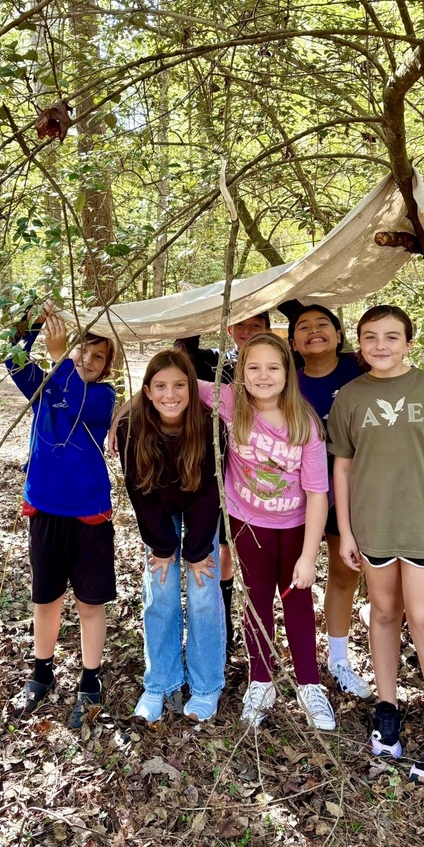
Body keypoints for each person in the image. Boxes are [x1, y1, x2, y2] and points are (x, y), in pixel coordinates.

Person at [328, 305, 424, 785]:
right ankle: (387, 709)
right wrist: (347, 531)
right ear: (359, 343)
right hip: (373, 527)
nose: (381, 345)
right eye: (370, 337)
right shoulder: (349, 396)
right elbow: (343, 469)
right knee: (385, 614)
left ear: (409, 342)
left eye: (392, 337)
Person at [196, 331, 334, 729]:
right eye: (253, 367)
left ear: (287, 373)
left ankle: (310, 684)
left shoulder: (304, 424)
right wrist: (124, 413)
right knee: (256, 602)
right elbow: (179, 384)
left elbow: (318, 495)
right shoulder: (231, 402)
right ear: (240, 372)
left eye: (272, 367)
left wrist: (309, 557)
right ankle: (261, 680)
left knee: (297, 600)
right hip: (248, 524)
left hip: (294, 527)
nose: (262, 375)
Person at [6, 301, 117, 730]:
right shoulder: (46, 387)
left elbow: (80, 404)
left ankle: (90, 680)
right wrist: (36, 319)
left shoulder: (101, 396)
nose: (87, 359)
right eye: (81, 350)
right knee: (46, 598)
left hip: (89, 516)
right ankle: (41, 672)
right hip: (44, 511)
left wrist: (59, 360)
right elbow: (14, 359)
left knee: (89, 602)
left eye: (98, 356)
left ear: (106, 368)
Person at [118, 349, 227, 723]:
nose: (170, 394)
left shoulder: (211, 425)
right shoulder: (131, 427)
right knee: (160, 589)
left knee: (203, 590)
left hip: (199, 507)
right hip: (156, 511)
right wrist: (163, 547)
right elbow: (138, 490)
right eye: (161, 386)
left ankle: (206, 685)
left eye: (179, 385)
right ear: (147, 391)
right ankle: (160, 683)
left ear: (192, 388)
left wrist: (197, 551)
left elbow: (210, 491)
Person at [280, 300, 370, 700]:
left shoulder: (362, 369)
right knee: (291, 578)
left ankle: (338, 659)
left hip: (354, 491)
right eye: (303, 326)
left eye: (323, 324)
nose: (313, 330)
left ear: (338, 334)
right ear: (293, 342)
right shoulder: (286, 384)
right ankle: (284, 662)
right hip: (293, 496)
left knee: (344, 572)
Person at [175, 311, 271, 653]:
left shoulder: (274, 367)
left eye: (256, 325)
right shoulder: (214, 362)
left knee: (238, 549)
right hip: (211, 471)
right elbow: (181, 357)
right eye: (241, 324)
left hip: (255, 475)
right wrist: (204, 307)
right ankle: (222, 621)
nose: (247, 332)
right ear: (228, 328)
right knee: (221, 547)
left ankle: (245, 623)